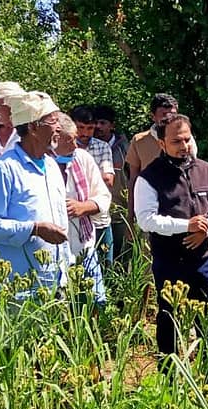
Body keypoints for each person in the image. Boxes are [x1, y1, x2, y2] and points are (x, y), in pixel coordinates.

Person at [134, 114, 208, 374]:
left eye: (187, 139)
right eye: (176, 141)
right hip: (169, 259)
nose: (184, 146)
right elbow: (146, 219)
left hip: (202, 257)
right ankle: (169, 373)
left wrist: (206, 228)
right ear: (162, 143)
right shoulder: (149, 177)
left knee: (207, 312)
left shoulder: (204, 169)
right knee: (169, 315)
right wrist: (186, 226)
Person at [0, 91, 71, 292]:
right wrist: (34, 229)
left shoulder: (51, 165)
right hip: (19, 286)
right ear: (33, 127)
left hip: (55, 279)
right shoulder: (4, 169)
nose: (59, 128)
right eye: (53, 121)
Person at [51, 112, 111, 305]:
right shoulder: (41, 163)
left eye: (75, 139)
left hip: (83, 245)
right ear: (54, 140)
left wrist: (83, 207)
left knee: (95, 303)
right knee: (58, 305)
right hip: (50, 251)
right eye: (69, 141)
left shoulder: (82, 158)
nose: (75, 146)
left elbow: (104, 197)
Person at [126, 93, 197, 223]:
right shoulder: (139, 141)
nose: (169, 118)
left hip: (182, 207)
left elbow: (194, 171)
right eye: (164, 114)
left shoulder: (186, 139)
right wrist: (130, 216)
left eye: (173, 114)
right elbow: (133, 179)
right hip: (150, 208)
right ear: (153, 116)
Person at [70, 105, 115, 267]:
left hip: (99, 219)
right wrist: (94, 181)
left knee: (105, 267)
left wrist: (79, 185)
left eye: (89, 128)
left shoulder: (102, 146)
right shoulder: (65, 147)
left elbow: (108, 181)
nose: (85, 133)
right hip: (74, 221)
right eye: (80, 127)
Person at [94, 104, 131, 263]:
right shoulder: (89, 147)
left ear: (112, 125)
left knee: (122, 255)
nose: (98, 127)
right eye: (96, 122)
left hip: (120, 210)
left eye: (103, 123)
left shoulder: (125, 148)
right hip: (98, 211)